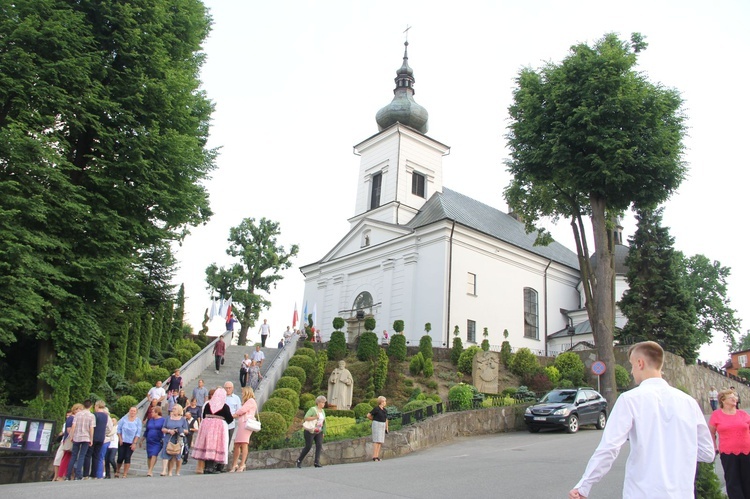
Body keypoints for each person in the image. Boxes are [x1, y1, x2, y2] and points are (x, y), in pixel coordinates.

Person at [569, 341, 715, 499]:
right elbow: (707, 453)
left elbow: (609, 448)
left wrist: (584, 486)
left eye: (631, 365)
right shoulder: (689, 402)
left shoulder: (629, 399)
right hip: (681, 493)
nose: (631, 371)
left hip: (642, 492)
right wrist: (678, 450)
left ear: (640, 363)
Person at [709, 389, 750, 498]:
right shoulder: (716, 415)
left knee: (748, 479)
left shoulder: (743, 414)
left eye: (735, 397)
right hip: (728, 453)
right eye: (731, 397)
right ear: (723, 400)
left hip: (747, 451)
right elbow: (711, 433)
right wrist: (714, 447)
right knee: (733, 481)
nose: (734, 399)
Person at [191, 387, 233, 474]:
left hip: (206, 425)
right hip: (218, 427)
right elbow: (230, 419)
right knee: (216, 445)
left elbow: (203, 415)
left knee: (207, 444)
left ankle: (207, 466)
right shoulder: (224, 406)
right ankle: (212, 467)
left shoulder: (208, 404)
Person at [230, 387, 258, 472]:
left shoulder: (251, 401)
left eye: (243, 392)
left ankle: (242, 464)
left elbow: (242, 410)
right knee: (237, 444)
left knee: (244, 443)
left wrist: (234, 414)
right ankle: (235, 464)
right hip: (242, 424)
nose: (242, 394)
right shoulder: (248, 401)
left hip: (246, 424)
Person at [66, 400, 96, 481]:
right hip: (86, 437)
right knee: (82, 456)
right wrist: (91, 439)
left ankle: (68, 475)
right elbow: (91, 428)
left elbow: (73, 425)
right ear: (91, 406)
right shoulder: (91, 416)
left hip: (77, 436)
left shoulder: (77, 414)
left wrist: (71, 436)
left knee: (74, 455)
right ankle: (78, 475)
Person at [296, 395, 327, 468]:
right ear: (318, 402)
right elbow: (306, 418)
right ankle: (299, 460)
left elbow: (324, 422)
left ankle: (316, 462)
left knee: (319, 445)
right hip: (310, 431)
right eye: (323, 402)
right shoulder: (313, 409)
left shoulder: (322, 411)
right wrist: (315, 417)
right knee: (308, 446)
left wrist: (324, 432)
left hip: (319, 431)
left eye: (324, 403)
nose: (324, 404)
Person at [160, 404, 189, 476]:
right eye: (173, 408)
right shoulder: (168, 418)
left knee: (174, 454)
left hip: (177, 439)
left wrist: (178, 430)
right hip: (168, 437)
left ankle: (170, 471)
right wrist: (169, 431)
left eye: (175, 408)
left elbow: (186, 431)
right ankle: (164, 470)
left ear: (179, 410)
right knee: (166, 453)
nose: (173, 409)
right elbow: (163, 428)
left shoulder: (183, 419)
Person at [115, 406, 142, 478]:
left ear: (136, 412)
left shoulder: (138, 421)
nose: (132, 412)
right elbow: (119, 430)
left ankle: (125, 473)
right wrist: (120, 438)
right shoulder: (124, 419)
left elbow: (138, 433)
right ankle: (117, 470)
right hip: (122, 441)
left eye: (134, 411)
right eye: (131, 411)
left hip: (131, 442)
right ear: (129, 411)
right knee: (120, 457)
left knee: (127, 457)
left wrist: (134, 443)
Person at [222, 381, 241, 471]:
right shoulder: (221, 397)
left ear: (232, 388)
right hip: (221, 424)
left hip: (230, 424)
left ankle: (224, 464)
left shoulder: (236, 398)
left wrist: (231, 416)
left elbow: (239, 412)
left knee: (227, 444)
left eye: (229, 388)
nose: (228, 389)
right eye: (226, 388)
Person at [56, 406, 78, 481]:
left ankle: (63, 475)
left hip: (69, 439)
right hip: (69, 440)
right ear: (75, 410)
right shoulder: (72, 418)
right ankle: (61, 475)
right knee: (66, 457)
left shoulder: (72, 418)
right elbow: (69, 430)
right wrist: (73, 437)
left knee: (68, 458)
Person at [144, 405, 164, 477]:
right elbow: (146, 430)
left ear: (157, 412)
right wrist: (142, 439)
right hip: (149, 440)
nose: (151, 413)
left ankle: (150, 470)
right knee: (149, 455)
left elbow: (164, 429)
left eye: (152, 412)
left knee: (154, 454)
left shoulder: (163, 420)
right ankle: (149, 469)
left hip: (157, 440)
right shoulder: (150, 420)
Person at [367, 396, 389, 461]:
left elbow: (386, 419)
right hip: (377, 424)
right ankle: (374, 456)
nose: (385, 402)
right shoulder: (376, 409)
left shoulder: (385, 410)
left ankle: (377, 456)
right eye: (384, 401)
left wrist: (386, 427)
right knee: (376, 440)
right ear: (381, 402)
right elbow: (368, 415)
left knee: (380, 441)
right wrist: (374, 420)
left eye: (385, 401)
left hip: (382, 424)